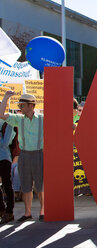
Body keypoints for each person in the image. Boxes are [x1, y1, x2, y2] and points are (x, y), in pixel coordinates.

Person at [0, 92, 44, 222]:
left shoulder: (42, 118)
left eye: (22, 105)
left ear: (31, 105)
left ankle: (43, 212)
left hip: (39, 153)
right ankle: (27, 213)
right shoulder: (18, 119)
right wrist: (6, 98)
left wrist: (71, 126)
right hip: (24, 154)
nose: (20, 107)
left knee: (40, 186)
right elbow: (2, 115)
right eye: (19, 105)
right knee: (26, 186)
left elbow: (58, 124)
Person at [0, 119, 16, 224]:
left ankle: (9, 212)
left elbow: (6, 143)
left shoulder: (7, 123)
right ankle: (1, 209)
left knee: (7, 185)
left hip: (4, 159)